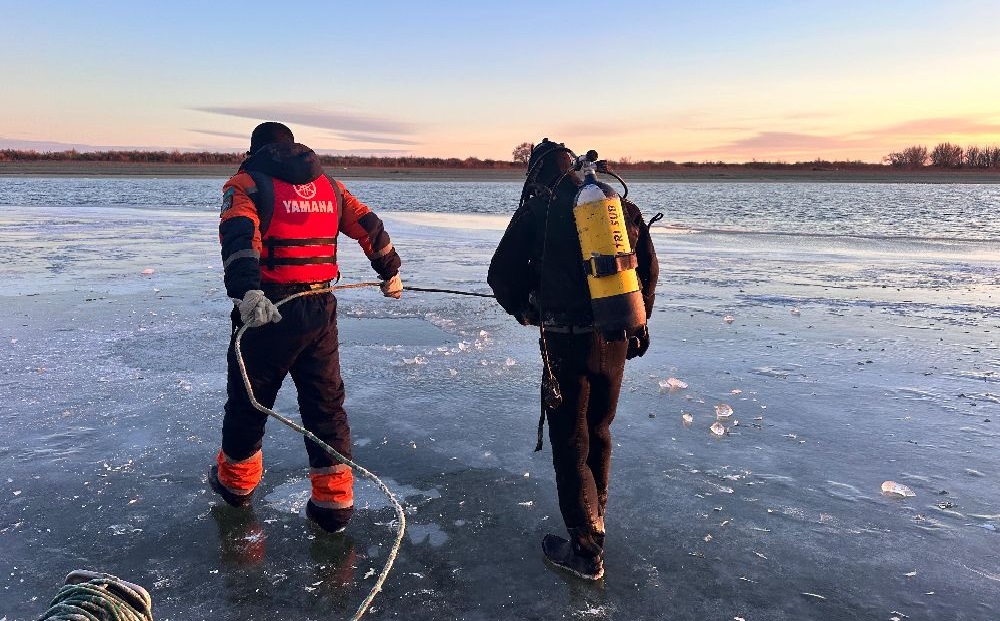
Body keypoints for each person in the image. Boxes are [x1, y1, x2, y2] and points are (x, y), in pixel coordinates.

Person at [209, 122, 403, 534]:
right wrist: (390, 270)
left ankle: (235, 486)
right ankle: (334, 505)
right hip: (319, 310)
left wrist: (246, 292)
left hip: (267, 312)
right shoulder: (328, 186)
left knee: (248, 401)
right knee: (325, 406)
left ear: (255, 149)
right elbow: (368, 224)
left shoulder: (246, 184)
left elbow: (239, 235)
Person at [488, 139, 658, 580]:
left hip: (565, 343)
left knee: (570, 441)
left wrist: (525, 309)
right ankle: (594, 524)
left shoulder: (538, 211)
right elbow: (648, 270)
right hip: (616, 335)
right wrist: (640, 323)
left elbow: (501, 275)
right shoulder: (619, 207)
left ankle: (584, 550)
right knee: (599, 430)